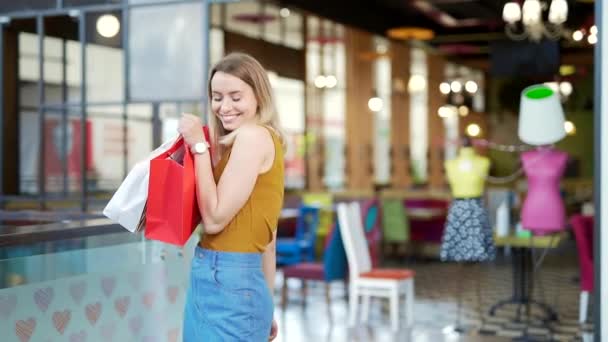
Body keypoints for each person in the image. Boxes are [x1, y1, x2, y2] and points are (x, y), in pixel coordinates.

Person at [178, 52, 284, 341]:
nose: (224, 107)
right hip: (221, 275)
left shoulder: (253, 137)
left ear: (258, 97)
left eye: (236, 97)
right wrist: (266, 304)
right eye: (217, 97)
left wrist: (199, 147)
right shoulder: (250, 140)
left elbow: (213, 219)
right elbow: (269, 242)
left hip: (229, 278)